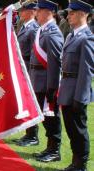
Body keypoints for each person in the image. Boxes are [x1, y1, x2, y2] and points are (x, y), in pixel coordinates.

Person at [57, 1, 93, 170]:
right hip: (66, 89)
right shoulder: (71, 35)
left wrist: (80, 97)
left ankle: (81, 164)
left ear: (83, 14)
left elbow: (86, 71)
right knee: (71, 129)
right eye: (69, 13)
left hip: (76, 92)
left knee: (79, 129)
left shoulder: (87, 37)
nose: (68, 16)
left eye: (72, 13)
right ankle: (75, 161)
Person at [30, 0, 64, 163]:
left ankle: (55, 150)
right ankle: (50, 148)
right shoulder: (42, 30)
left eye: (39, 10)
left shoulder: (52, 32)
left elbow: (55, 63)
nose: (36, 13)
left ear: (49, 12)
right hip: (38, 79)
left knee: (51, 117)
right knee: (45, 118)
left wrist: (52, 88)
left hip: (46, 82)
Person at [13, 1, 40, 146]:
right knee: (25, 102)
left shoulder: (34, 28)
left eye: (23, 10)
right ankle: (28, 134)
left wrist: (28, 72)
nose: (20, 12)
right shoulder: (23, 26)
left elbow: (33, 53)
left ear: (31, 12)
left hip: (29, 69)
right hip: (22, 68)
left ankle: (33, 136)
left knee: (30, 102)